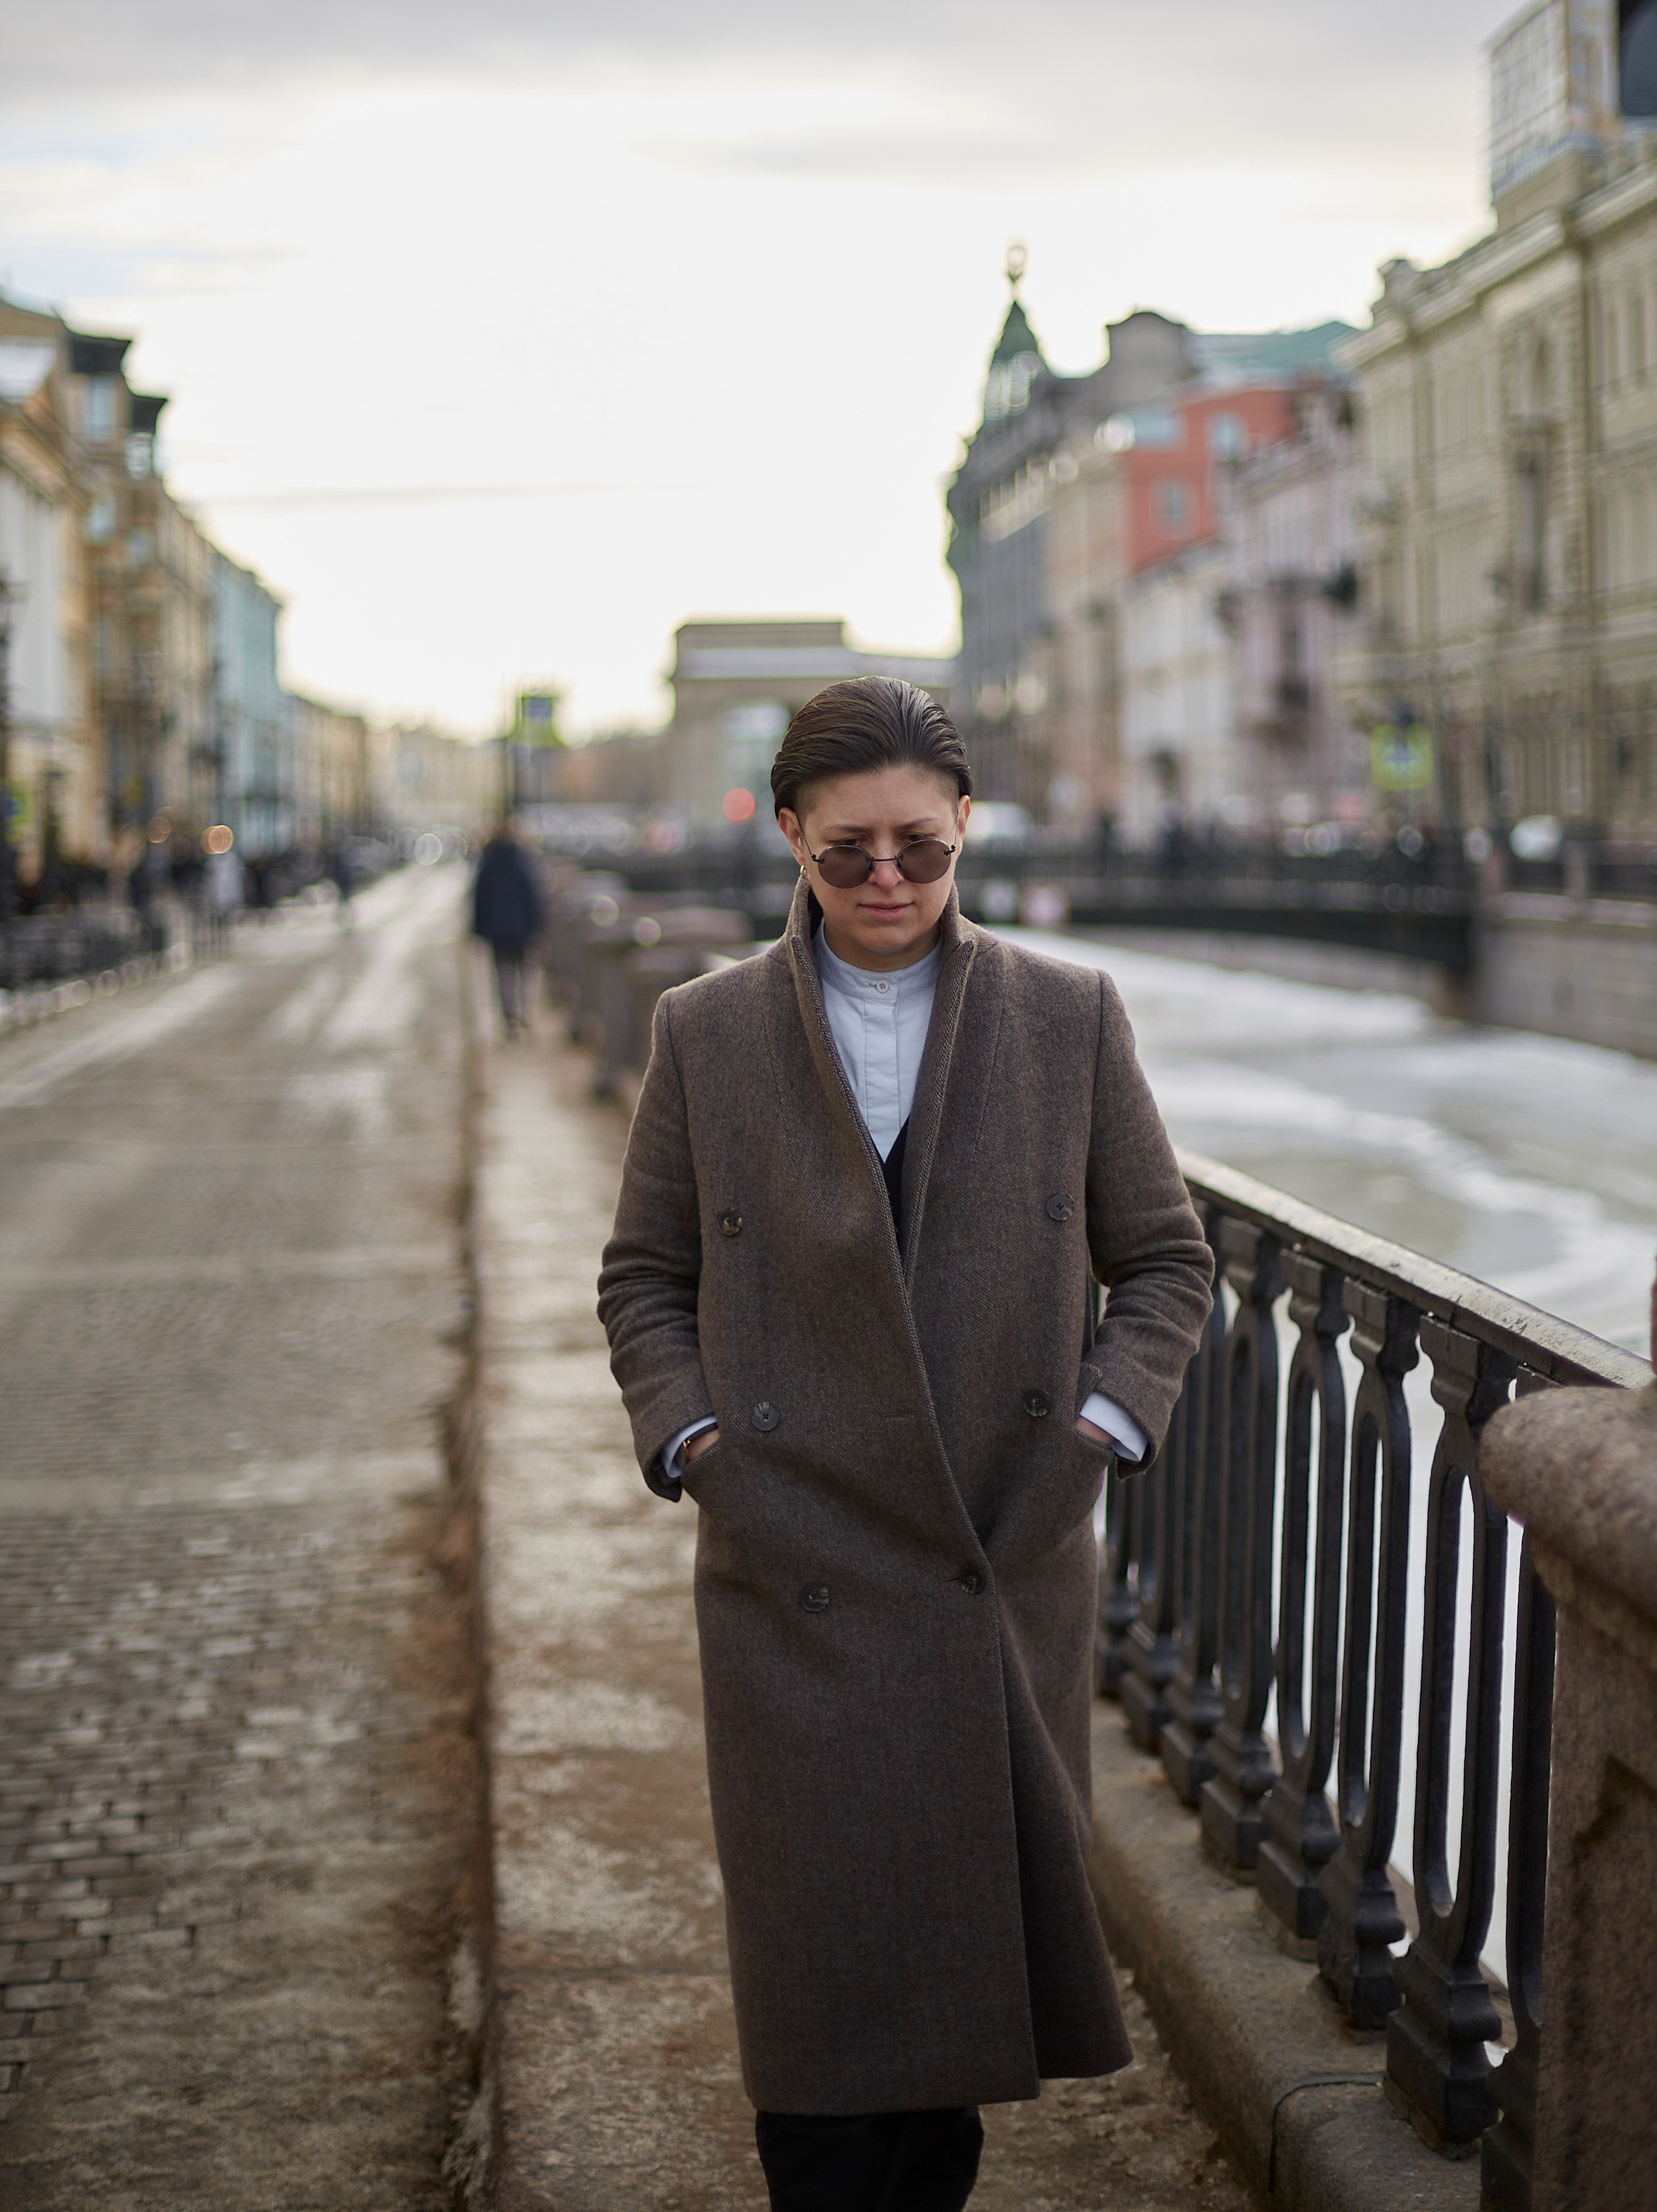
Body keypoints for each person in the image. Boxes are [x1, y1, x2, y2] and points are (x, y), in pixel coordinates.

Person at [598, 679, 1212, 2212]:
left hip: (993, 1556)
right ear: (787, 834)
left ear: (966, 837)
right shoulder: (704, 1029)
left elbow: (1166, 1262)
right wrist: (693, 1443)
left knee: (946, 2035)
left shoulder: (1066, 1018)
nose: (886, 883)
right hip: (787, 1566)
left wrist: (1094, 1425)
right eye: (849, 850)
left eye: (921, 852)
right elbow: (641, 1277)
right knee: (812, 2022)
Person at [472, 815, 541, 1036]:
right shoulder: (522, 860)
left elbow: (479, 898)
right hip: (520, 927)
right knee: (523, 972)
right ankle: (523, 1011)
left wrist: (479, 928)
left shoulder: (488, 861)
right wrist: (536, 927)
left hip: (496, 928)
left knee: (503, 973)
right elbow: (531, 895)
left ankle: (508, 1016)